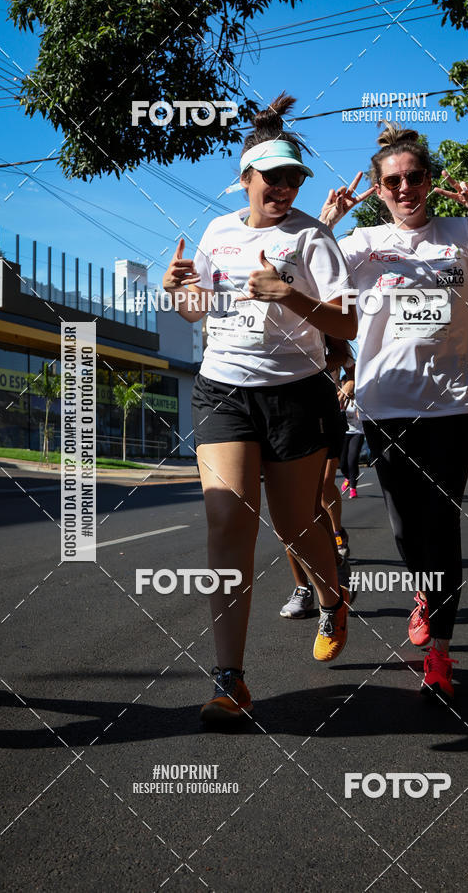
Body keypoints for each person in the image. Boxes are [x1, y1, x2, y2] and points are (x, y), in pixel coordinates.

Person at [320, 124, 468, 699]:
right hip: (383, 405)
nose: (404, 188)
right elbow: (303, 280)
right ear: (377, 188)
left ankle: (440, 656)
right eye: (392, 181)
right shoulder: (361, 243)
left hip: (449, 406)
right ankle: (425, 591)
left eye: (414, 177)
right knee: (404, 526)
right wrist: (327, 225)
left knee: (442, 525)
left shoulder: (462, 235)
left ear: (430, 180)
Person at [163, 94, 357, 724]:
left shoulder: (314, 236)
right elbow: (200, 314)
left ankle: (332, 598)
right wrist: (179, 294)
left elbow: (347, 321)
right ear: (245, 178)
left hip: (295, 393)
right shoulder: (218, 232)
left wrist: (288, 294)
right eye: (272, 177)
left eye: (293, 177)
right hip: (222, 389)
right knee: (227, 524)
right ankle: (230, 679)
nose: (283, 187)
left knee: (295, 524)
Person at [279, 336, 354, 619]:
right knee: (290, 510)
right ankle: (303, 588)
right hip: (279, 415)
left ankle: (335, 556)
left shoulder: (316, 310)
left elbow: (349, 361)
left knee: (317, 493)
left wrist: (347, 384)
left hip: (323, 416)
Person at [340, 400, 365, 498]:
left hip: (358, 432)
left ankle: (353, 488)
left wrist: (360, 412)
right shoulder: (341, 396)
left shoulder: (358, 397)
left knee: (352, 460)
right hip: (345, 432)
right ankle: (348, 477)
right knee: (342, 463)